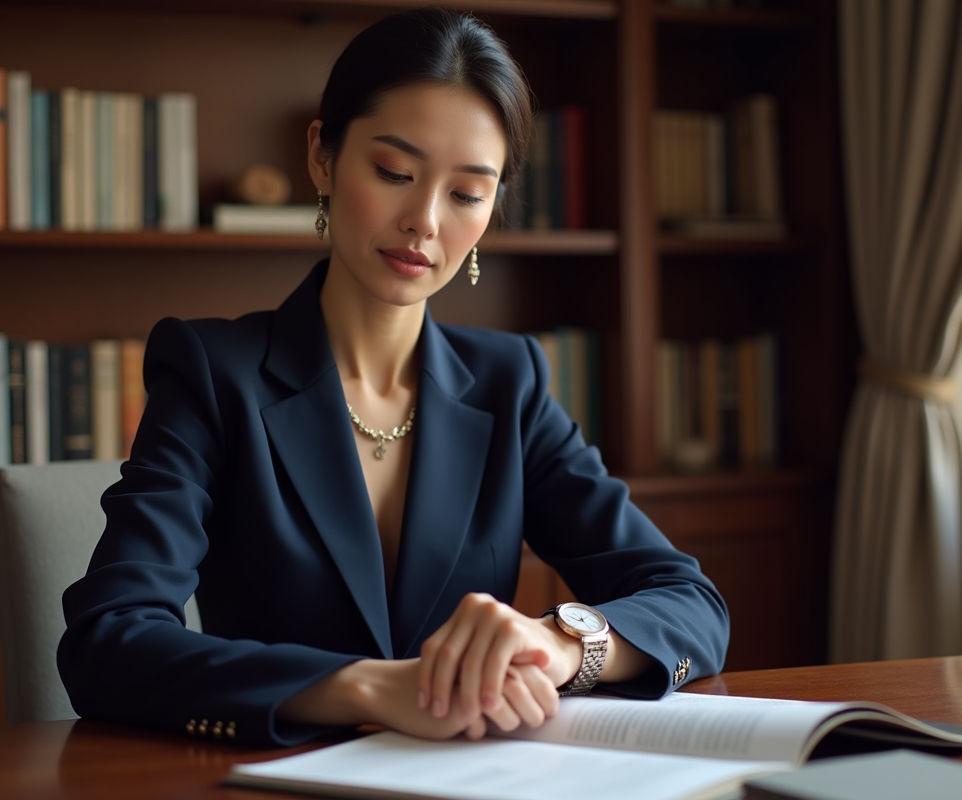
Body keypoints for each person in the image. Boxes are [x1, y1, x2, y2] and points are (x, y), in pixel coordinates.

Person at [57, 7, 729, 748]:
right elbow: (108, 643)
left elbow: (691, 602)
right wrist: (374, 686)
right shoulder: (213, 373)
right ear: (321, 156)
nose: (425, 221)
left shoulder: (509, 382)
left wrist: (561, 645)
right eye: (394, 172)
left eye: (468, 193)